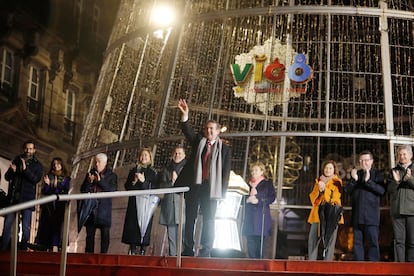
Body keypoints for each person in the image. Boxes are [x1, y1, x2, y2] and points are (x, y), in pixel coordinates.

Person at [175, 99, 232, 257]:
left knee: (209, 219)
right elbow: (188, 132)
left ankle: (206, 249)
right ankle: (188, 249)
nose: (209, 131)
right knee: (190, 217)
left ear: (218, 131)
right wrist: (185, 115)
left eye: (212, 129)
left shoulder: (225, 149)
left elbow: (225, 172)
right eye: (207, 129)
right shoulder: (198, 142)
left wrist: (223, 193)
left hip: (211, 187)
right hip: (195, 185)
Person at [1, 140, 43, 251]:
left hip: (27, 199)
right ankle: (3, 250)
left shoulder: (37, 165)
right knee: (7, 225)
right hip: (14, 198)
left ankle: (23, 250)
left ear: (34, 150)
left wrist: (25, 169)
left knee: (26, 227)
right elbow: (7, 177)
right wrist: (12, 171)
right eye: (26, 148)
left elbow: (35, 179)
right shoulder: (17, 160)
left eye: (30, 148)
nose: (28, 150)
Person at [344, 151, 385, 261]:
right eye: (361, 160)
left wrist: (369, 181)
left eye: (366, 160)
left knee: (373, 243)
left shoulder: (378, 174)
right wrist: (354, 180)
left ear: (372, 161)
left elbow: (381, 191)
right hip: (357, 216)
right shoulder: (356, 174)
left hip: (371, 217)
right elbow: (347, 191)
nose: (364, 163)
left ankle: (374, 268)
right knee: (357, 243)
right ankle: (358, 267)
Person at [122, 148, 159, 255]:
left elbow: (155, 187)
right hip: (134, 202)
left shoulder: (153, 172)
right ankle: (132, 247)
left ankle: (143, 248)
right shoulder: (133, 170)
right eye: (142, 155)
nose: (143, 157)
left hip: (146, 203)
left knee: (144, 224)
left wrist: (144, 182)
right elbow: (127, 186)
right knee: (133, 224)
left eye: (146, 155)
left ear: (150, 158)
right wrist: (134, 182)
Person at [79, 153, 117, 253]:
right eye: (95, 161)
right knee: (89, 236)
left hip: (104, 211)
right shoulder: (90, 174)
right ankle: (88, 258)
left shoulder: (112, 176)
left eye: (99, 162)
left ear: (105, 163)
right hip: (91, 210)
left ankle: (103, 258)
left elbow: (112, 190)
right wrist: (88, 182)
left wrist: (100, 181)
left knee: (105, 236)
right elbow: (82, 190)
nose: (96, 164)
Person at [307, 159, 343, 261]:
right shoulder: (318, 181)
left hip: (332, 214)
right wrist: (319, 190)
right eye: (326, 168)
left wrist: (325, 190)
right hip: (317, 214)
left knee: (330, 240)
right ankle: (311, 262)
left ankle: (327, 264)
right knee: (313, 238)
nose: (328, 170)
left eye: (330, 168)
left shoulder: (337, 182)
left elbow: (335, 197)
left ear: (334, 170)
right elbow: (313, 197)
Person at [33, 157, 71, 252]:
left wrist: (53, 187)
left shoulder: (66, 178)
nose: (56, 166)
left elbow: (65, 192)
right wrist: (48, 185)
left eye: (58, 164)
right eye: (54, 164)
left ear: (62, 165)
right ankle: (45, 247)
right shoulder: (48, 176)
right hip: (49, 207)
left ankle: (56, 246)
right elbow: (45, 191)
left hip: (60, 206)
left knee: (58, 228)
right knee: (47, 227)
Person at [242, 161, 276, 259]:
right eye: (252, 171)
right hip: (249, 218)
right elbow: (241, 197)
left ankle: (259, 266)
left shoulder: (267, 184)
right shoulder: (246, 185)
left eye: (256, 170)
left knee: (259, 244)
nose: (253, 172)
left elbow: (271, 197)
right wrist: (247, 199)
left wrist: (258, 200)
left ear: (262, 171)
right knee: (250, 244)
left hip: (261, 217)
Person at [388, 144, 414, 262]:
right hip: (397, 211)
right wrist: (397, 181)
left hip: (412, 211)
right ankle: (400, 268)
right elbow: (389, 189)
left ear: (411, 155)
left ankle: (410, 267)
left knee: (412, 242)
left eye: (404, 154)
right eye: (400, 154)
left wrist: (410, 179)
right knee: (399, 242)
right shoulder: (394, 171)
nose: (402, 156)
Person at [159, 146, 187, 256]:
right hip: (170, 205)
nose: (177, 155)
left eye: (180, 153)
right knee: (171, 234)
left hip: (183, 203)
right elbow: (161, 185)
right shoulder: (166, 169)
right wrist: (171, 181)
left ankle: (183, 255)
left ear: (184, 155)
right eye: (175, 153)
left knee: (183, 232)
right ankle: (172, 256)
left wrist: (178, 181)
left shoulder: (187, 168)